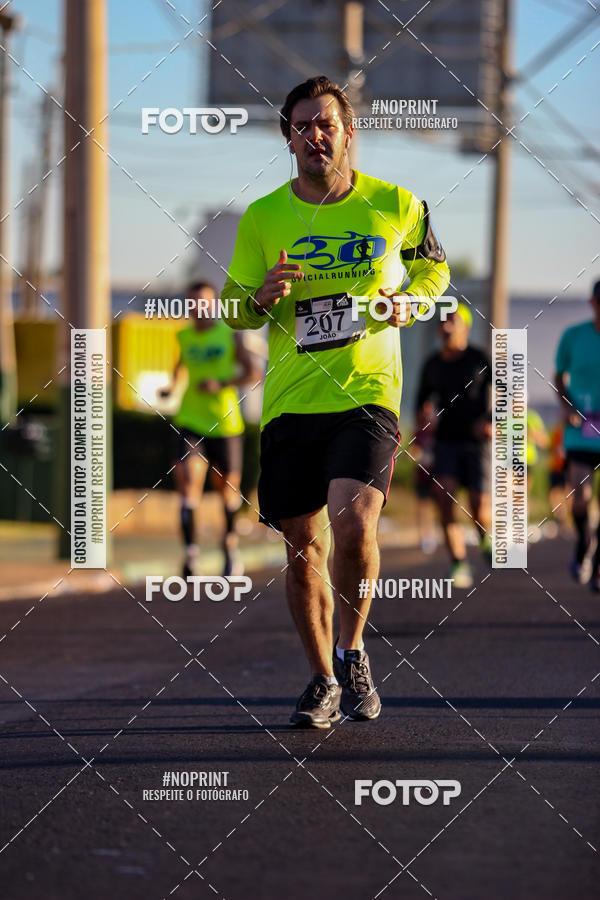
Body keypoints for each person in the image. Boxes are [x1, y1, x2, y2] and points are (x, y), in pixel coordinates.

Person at [221, 75, 450, 728]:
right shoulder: (262, 217)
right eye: (302, 126)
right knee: (303, 547)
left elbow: (434, 268)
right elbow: (233, 309)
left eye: (326, 124)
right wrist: (259, 297)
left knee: (353, 521)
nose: (315, 135)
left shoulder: (397, 204)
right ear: (287, 139)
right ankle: (322, 677)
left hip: (367, 394)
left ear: (349, 133)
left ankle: (352, 650)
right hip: (292, 403)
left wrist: (412, 301)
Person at [160, 280, 260, 578]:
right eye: (191, 302)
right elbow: (180, 368)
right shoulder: (184, 336)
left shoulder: (229, 334)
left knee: (227, 492)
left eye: (202, 302)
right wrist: (172, 387)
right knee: (188, 482)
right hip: (190, 420)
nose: (197, 307)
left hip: (226, 424)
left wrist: (222, 383)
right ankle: (191, 555)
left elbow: (253, 373)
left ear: (213, 304)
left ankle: (230, 549)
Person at [415, 303, 492, 589]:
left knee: (478, 507)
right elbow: (421, 400)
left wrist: (492, 422)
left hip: (477, 442)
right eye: (442, 322)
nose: (445, 327)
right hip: (445, 441)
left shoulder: (479, 358)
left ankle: (484, 536)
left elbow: (505, 391)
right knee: (445, 501)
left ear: (466, 328)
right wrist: (423, 419)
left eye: (452, 321)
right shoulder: (432, 364)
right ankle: (459, 562)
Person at [554, 280, 600, 592]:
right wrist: (567, 405)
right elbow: (559, 376)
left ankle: (597, 568)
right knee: (581, 499)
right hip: (581, 430)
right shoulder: (574, 336)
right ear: (593, 303)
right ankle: (584, 544)